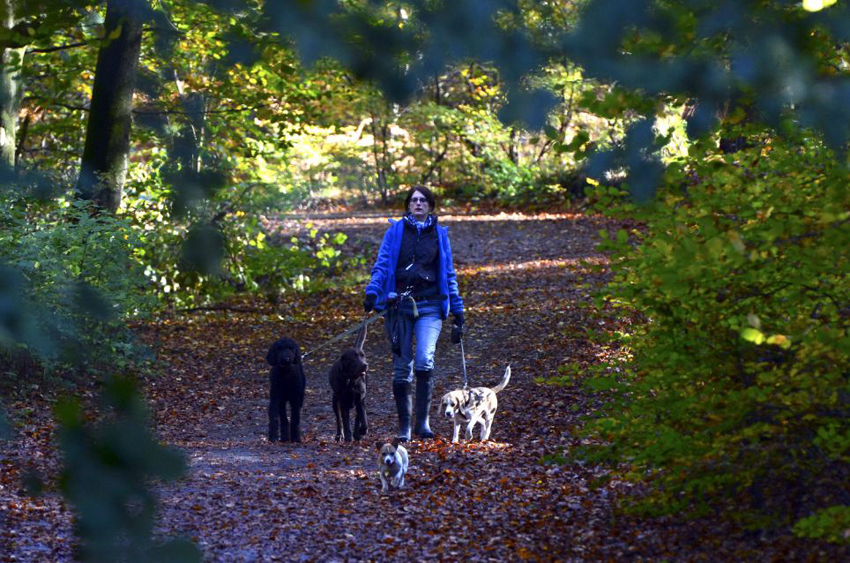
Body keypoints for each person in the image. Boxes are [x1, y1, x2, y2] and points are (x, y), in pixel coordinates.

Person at [363, 186, 465, 441]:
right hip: (399, 306)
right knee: (401, 367)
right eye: (413, 200)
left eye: (423, 200)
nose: (418, 204)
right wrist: (373, 292)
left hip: (431, 304)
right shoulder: (395, 231)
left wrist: (458, 309)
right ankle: (404, 428)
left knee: (424, 359)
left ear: (430, 205)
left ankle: (424, 424)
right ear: (408, 205)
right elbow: (382, 264)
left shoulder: (440, 235)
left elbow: (449, 273)